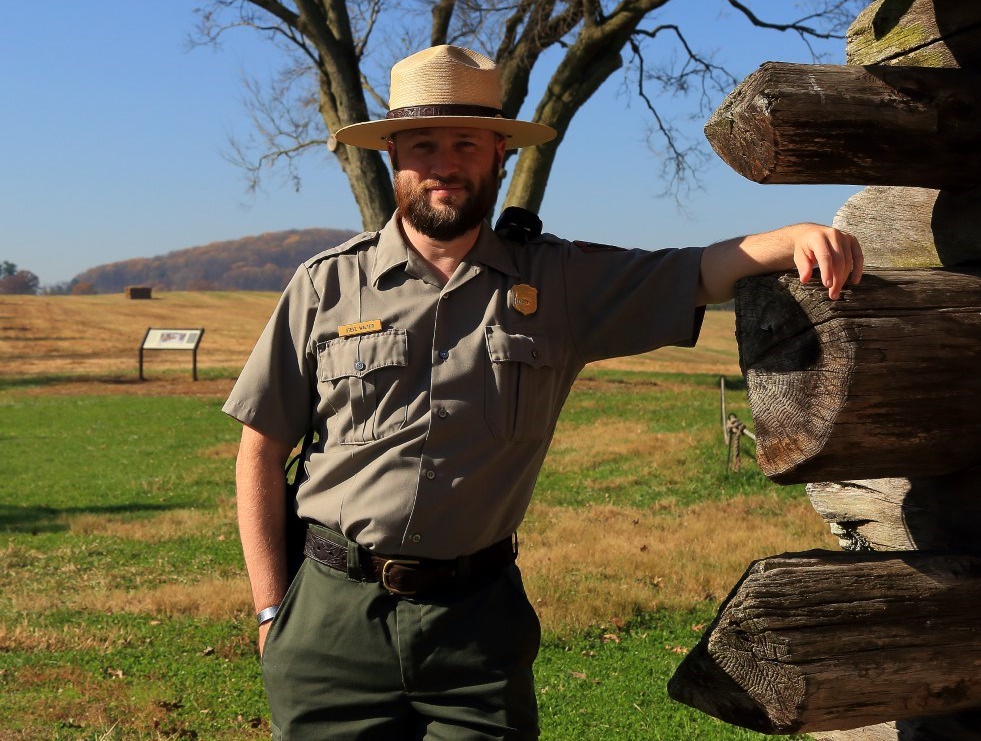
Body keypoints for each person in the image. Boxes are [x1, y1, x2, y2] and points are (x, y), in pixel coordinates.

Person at [226, 44, 862, 739]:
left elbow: (695, 271)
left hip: (475, 627)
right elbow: (260, 449)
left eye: (466, 142)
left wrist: (797, 235)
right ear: (393, 157)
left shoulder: (559, 284)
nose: (444, 162)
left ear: (499, 153)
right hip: (329, 620)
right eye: (424, 144)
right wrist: (269, 612)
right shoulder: (324, 286)